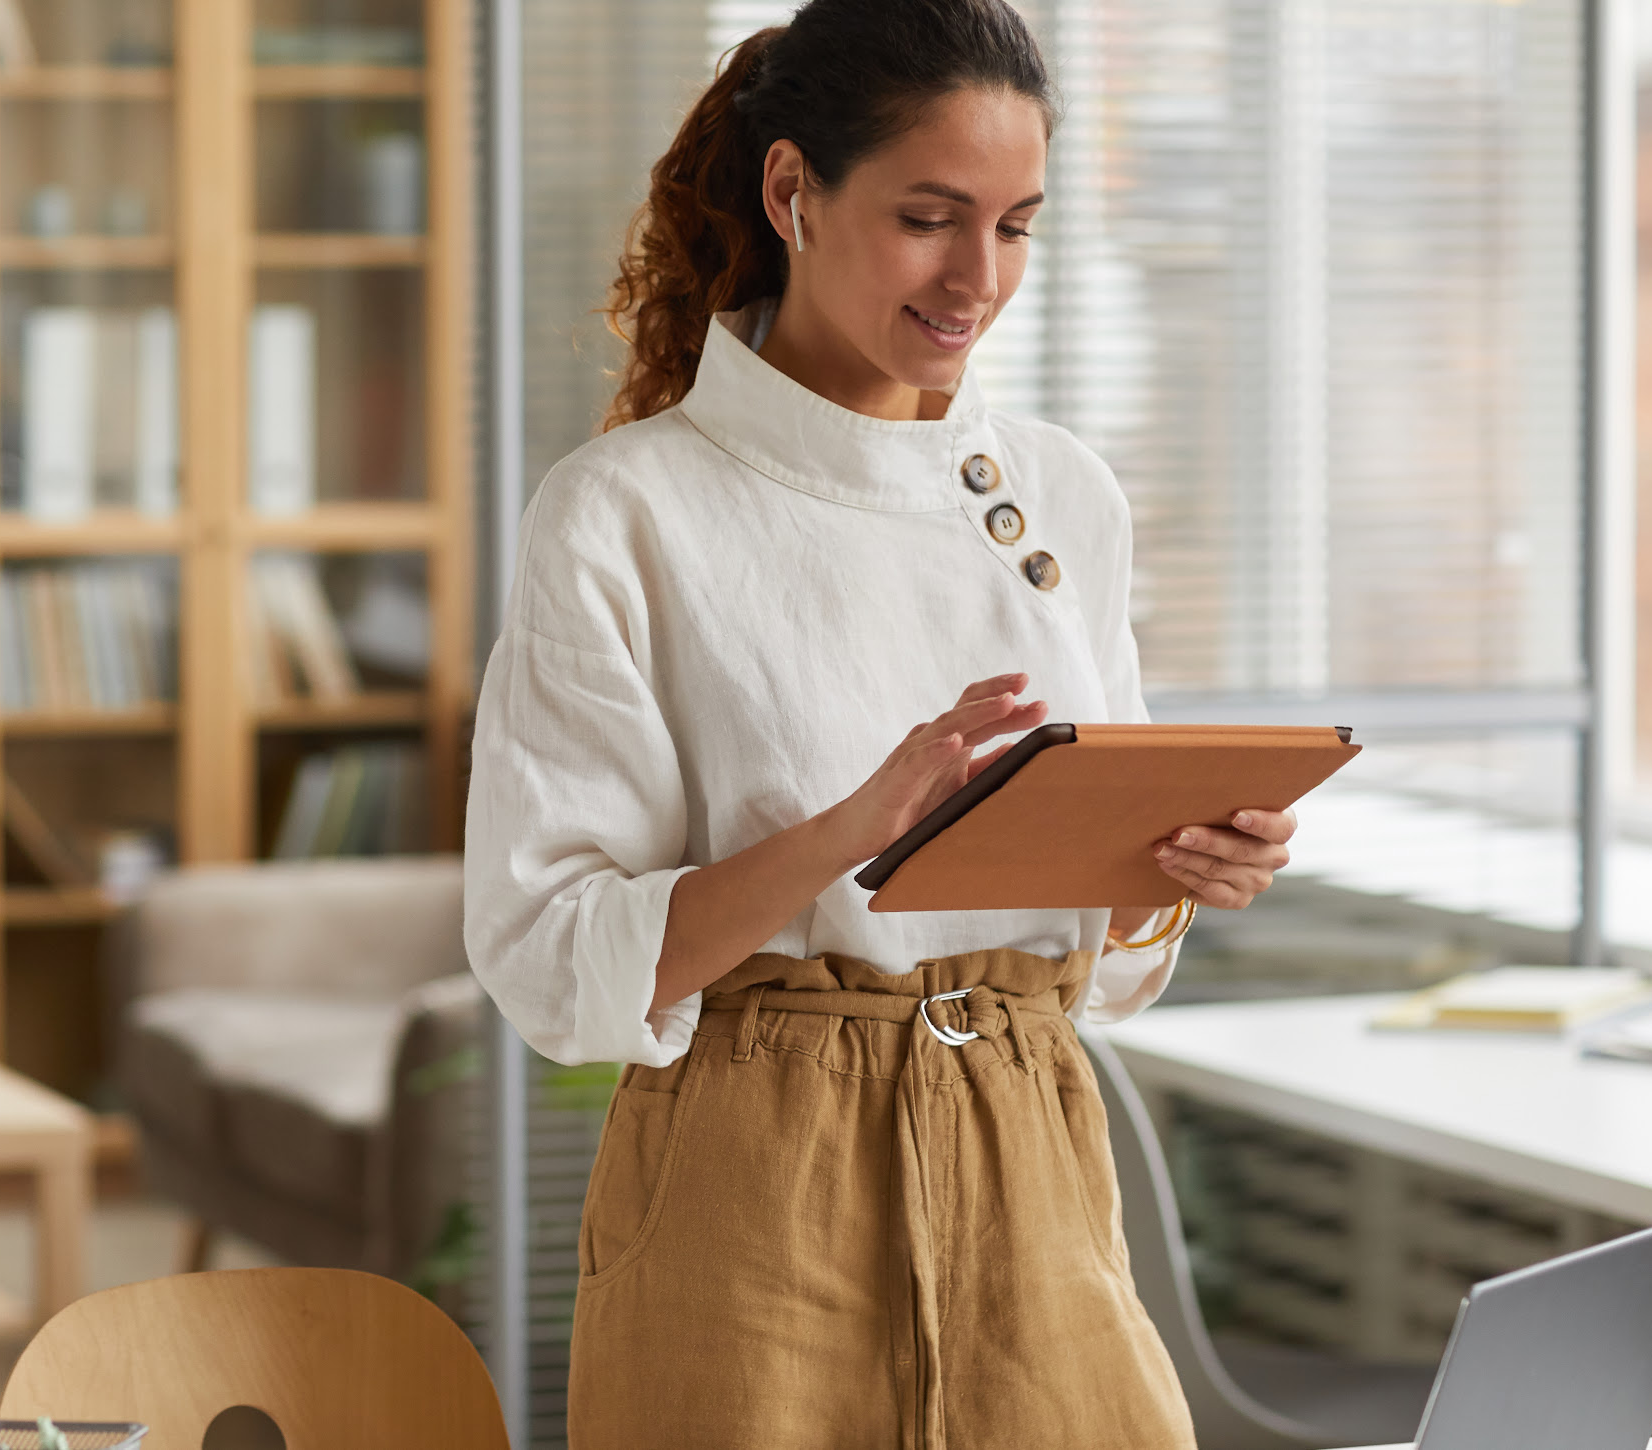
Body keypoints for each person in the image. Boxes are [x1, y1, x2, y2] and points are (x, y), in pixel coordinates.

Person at [462, 2, 1301, 1444]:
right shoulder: (623, 513)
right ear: (792, 190)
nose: (978, 276)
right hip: (753, 1176)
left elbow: (1098, 965)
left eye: (1018, 226)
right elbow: (548, 955)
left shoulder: (1062, 493)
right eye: (929, 217)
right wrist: (854, 828)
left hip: (1032, 1144)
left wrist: (1172, 874)